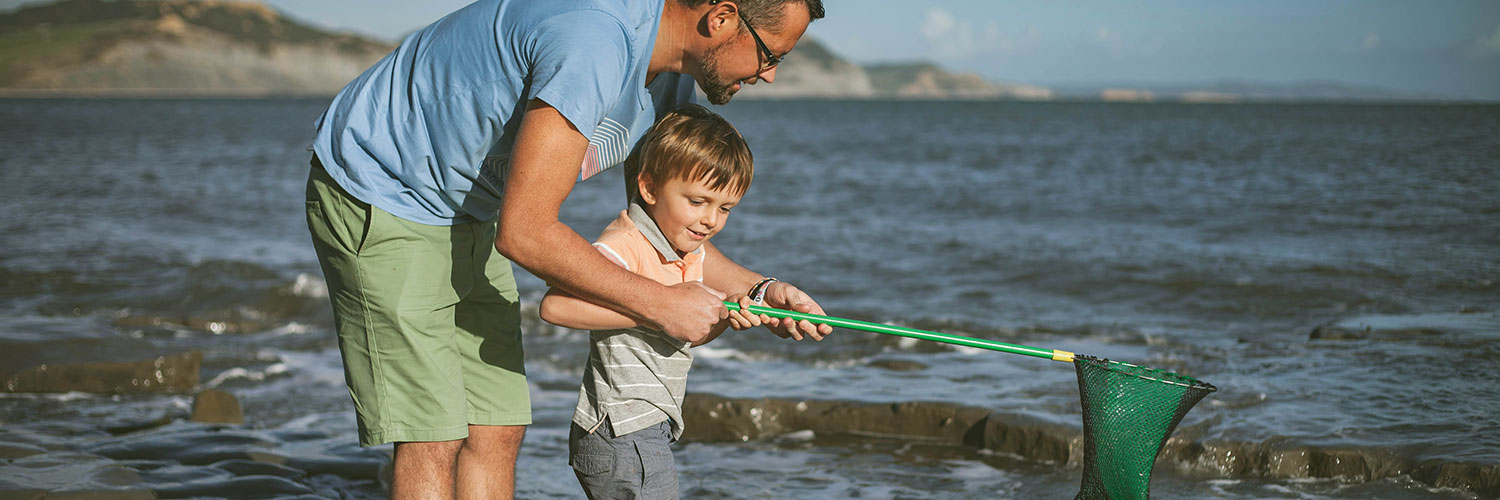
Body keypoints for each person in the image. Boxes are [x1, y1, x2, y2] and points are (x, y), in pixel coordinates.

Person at [304, 0, 832, 498]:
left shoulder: (669, 80)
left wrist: (761, 291)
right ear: (720, 17)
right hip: (384, 182)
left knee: (497, 427)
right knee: (432, 434)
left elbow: (658, 232)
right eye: (772, 54)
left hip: (473, 206)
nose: (770, 75)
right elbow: (526, 233)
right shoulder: (595, 42)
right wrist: (661, 304)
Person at [539, 104, 776, 498]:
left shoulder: (688, 252)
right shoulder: (627, 244)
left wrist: (724, 314)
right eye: (697, 202)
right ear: (648, 188)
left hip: (648, 426)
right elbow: (556, 306)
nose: (710, 221)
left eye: (725, 208)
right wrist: (658, 312)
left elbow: (685, 333)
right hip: (619, 430)